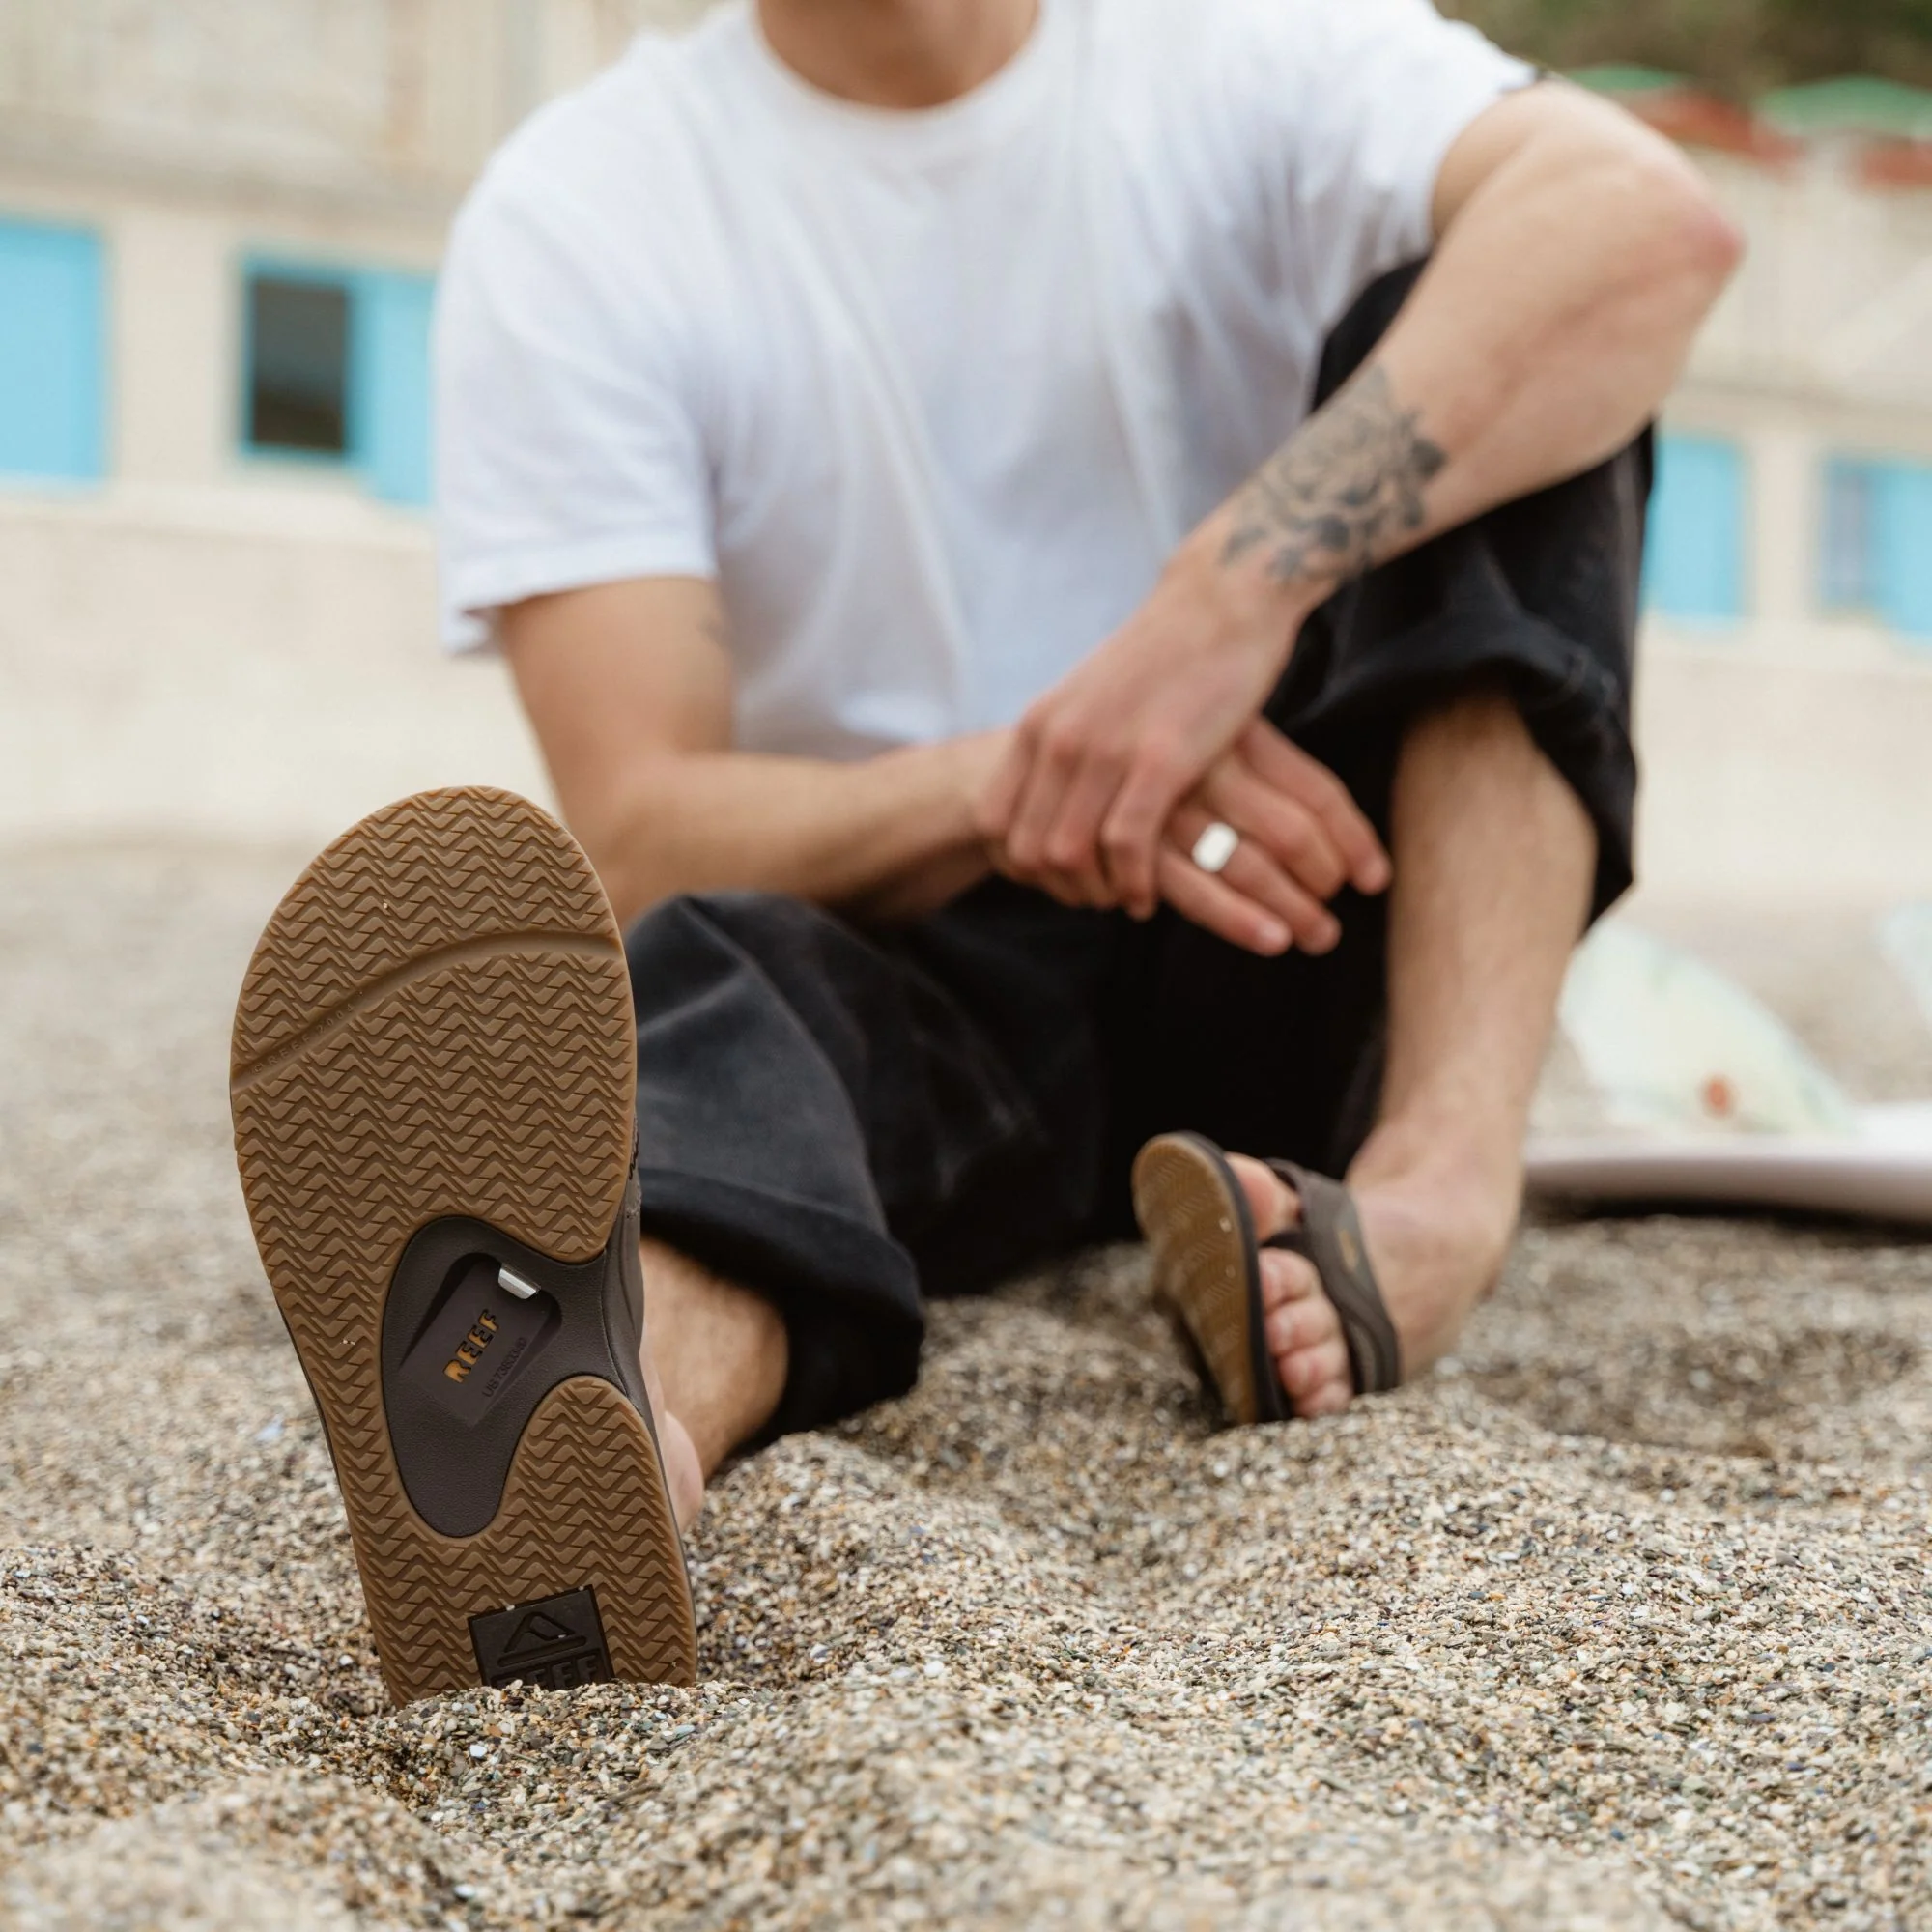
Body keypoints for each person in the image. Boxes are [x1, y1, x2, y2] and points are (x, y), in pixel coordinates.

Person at [231, 0, 1739, 1701]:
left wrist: (1224, 601)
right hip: (922, 952)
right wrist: (1040, 776)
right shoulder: (585, 208)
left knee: (1507, 329)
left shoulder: (1244, 52)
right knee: (726, 981)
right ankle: (606, 1436)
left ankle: (1437, 1191)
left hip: (1308, 900)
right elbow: (639, 827)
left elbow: (1644, 225)